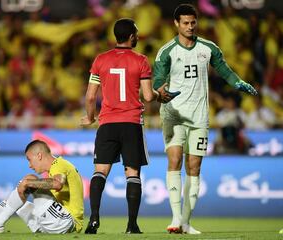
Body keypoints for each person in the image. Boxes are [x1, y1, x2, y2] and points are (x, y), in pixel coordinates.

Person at [153, 4, 258, 235]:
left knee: (195, 167)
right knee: (174, 161)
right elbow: (157, 81)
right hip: (174, 115)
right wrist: (162, 92)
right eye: (185, 23)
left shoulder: (208, 48)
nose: (190, 27)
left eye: (193, 22)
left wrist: (238, 83)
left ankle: (187, 222)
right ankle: (175, 217)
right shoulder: (167, 51)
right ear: (176, 24)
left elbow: (225, 69)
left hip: (199, 117)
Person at [81, 18, 163, 234]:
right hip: (131, 123)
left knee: (100, 172)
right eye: (136, 33)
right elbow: (147, 96)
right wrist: (159, 94)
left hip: (107, 123)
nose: (138, 36)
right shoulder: (141, 60)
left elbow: (90, 97)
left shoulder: (101, 60)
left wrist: (90, 118)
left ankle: (94, 220)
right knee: (132, 174)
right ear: (131, 36)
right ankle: (132, 225)